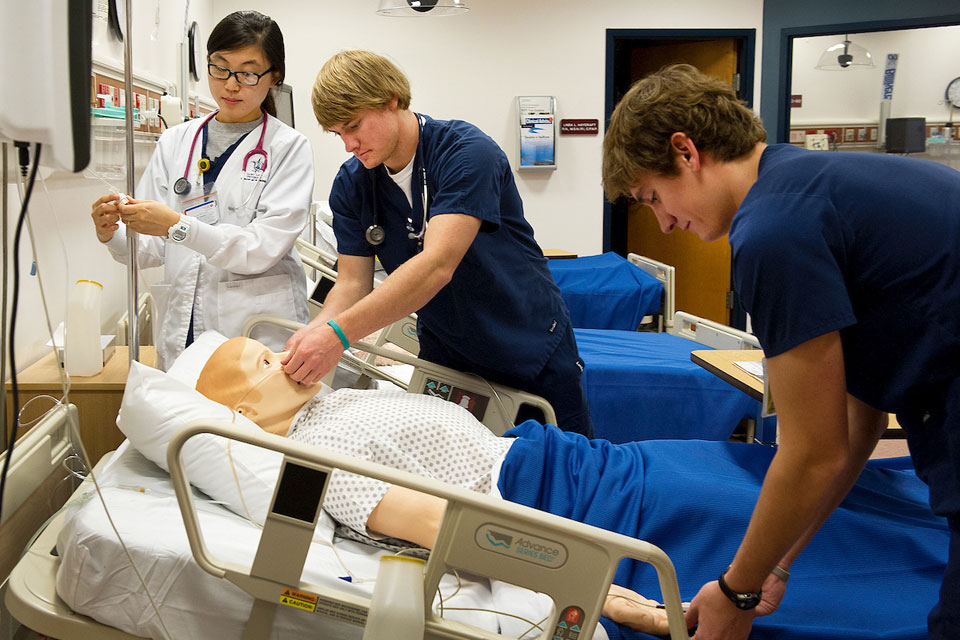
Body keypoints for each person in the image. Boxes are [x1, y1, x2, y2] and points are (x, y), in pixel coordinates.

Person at [195, 336, 950, 640]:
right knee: (786, 531)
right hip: (589, 508)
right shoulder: (322, 462)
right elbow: (453, 529)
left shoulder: (340, 402)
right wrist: (616, 599)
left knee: (770, 480)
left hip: (602, 464)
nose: (284, 355)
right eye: (261, 363)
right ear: (244, 412)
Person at [601, 63, 960, 639]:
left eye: (653, 197)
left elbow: (813, 452)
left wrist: (736, 591)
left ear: (686, 152)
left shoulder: (774, 231)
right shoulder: (804, 180)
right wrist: (776, 564)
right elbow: (856, 423)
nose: (663, 223)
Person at [280, 50, 593, 437]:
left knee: (558, 468)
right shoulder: (353, 184)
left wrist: (338, 336)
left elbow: (437, 265)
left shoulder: (466, 153)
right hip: (447, 354)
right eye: (337, 134)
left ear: (391, 99)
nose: (349, 145)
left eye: (354, 126)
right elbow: (351, 283)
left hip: (525, 343)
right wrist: (314, 335)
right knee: (456, 469)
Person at [90, 10, 312, 370]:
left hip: (255, 331)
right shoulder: (175, 141)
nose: (231, 85)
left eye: (248, 73)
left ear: (274, 76)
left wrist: (176, 225)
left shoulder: (288, 148)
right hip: (185, 327)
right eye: (220, 68)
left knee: (249, 405)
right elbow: (151, 248)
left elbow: (262, 248)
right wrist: (112, 232)